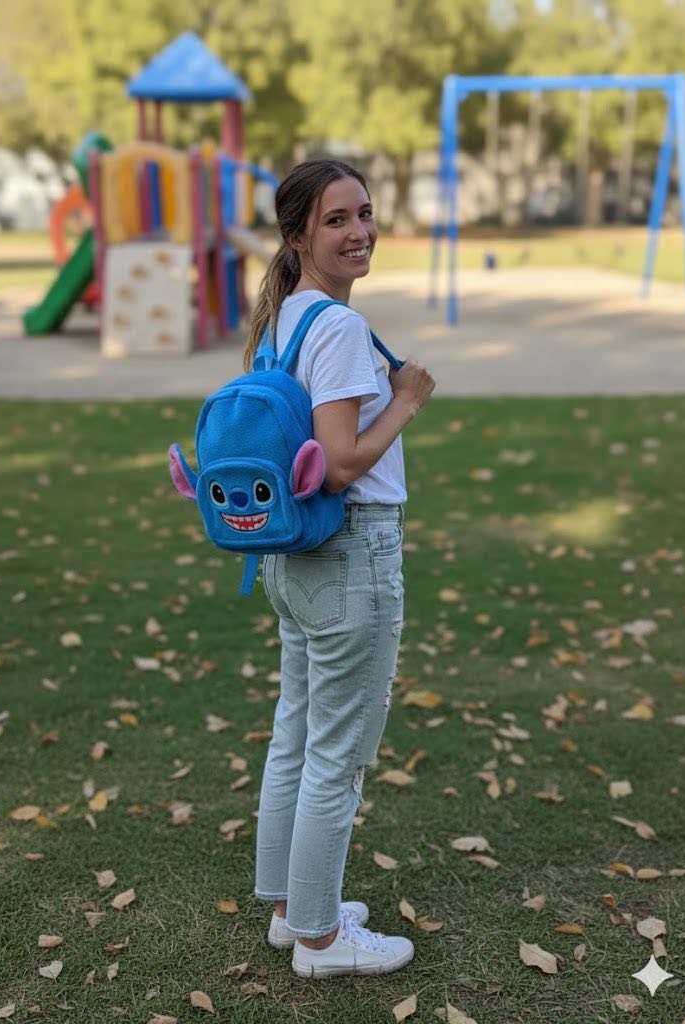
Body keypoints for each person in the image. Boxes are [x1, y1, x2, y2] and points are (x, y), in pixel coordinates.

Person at [244, 158, 435, 978]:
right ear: (297, 236)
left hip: (295, 558)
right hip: (350, 551)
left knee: (296, 736)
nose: (359, 232)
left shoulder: (283, 319)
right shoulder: (340, 329)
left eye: (364, 213)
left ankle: (292, 911)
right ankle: (321, 942)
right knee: (336, 756)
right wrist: (406, 399)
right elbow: (341, 463)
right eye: (336, 220)